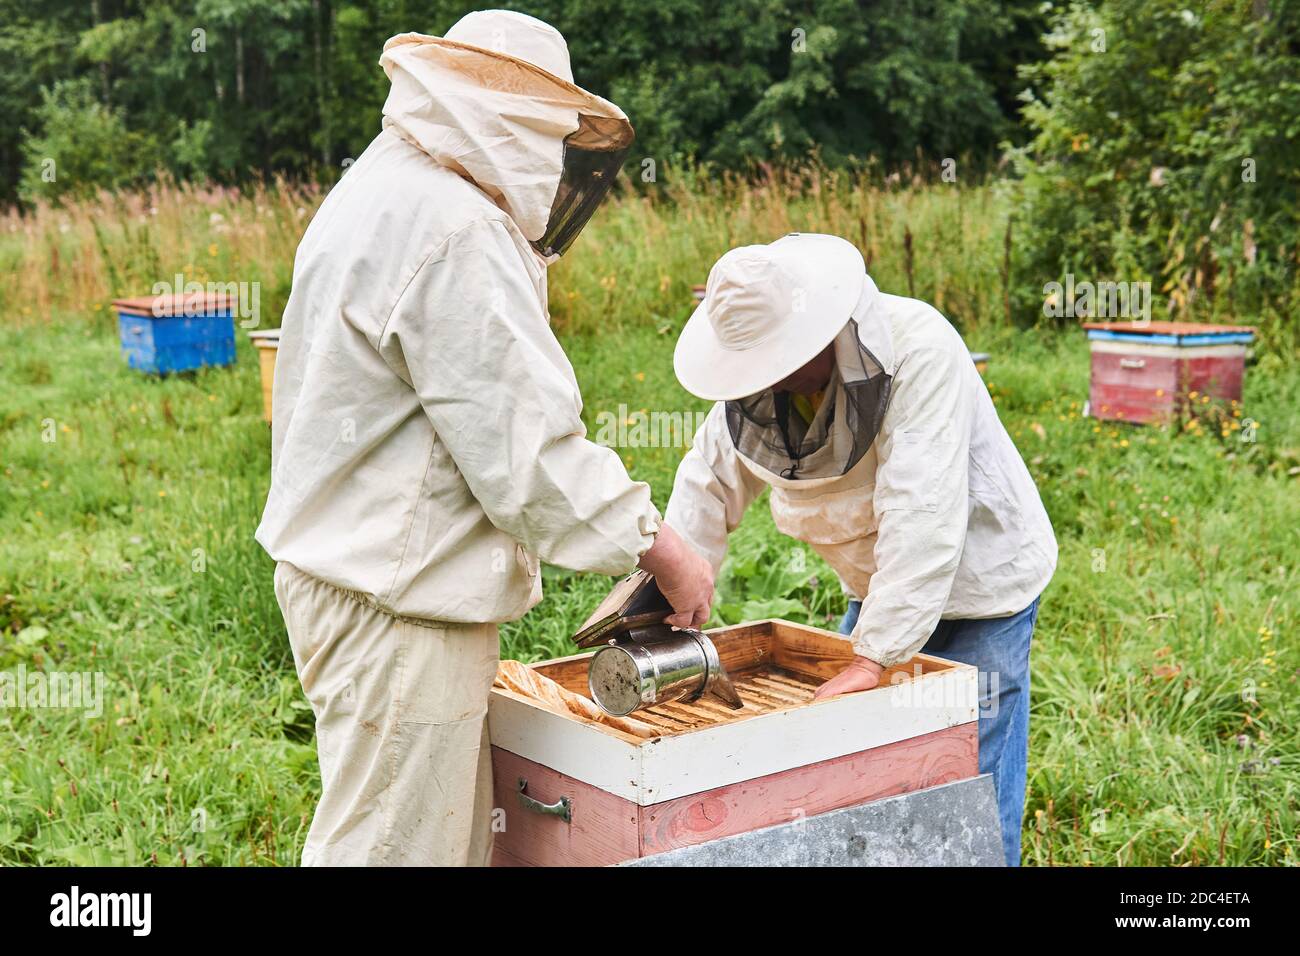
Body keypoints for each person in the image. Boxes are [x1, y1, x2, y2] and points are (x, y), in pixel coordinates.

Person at [255, 10, 712, 867]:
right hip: (396, 601)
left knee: (430, 839)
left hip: (363, 579)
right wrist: (658, 544)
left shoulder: (381, 187)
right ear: (516, 119)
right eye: (552, 133)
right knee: (393, 851)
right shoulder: (455, 227)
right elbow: (529, 455)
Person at [663, 233, 1057, 866]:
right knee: (867, 782)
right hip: (877, 589)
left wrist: (872, 657)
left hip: (983, 585)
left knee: (970, 783)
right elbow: (705, 485)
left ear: (819, 329)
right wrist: (675, 587)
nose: (769, 379)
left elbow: (920, 512)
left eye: (777, 358)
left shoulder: (917, 349)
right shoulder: (756, 393)